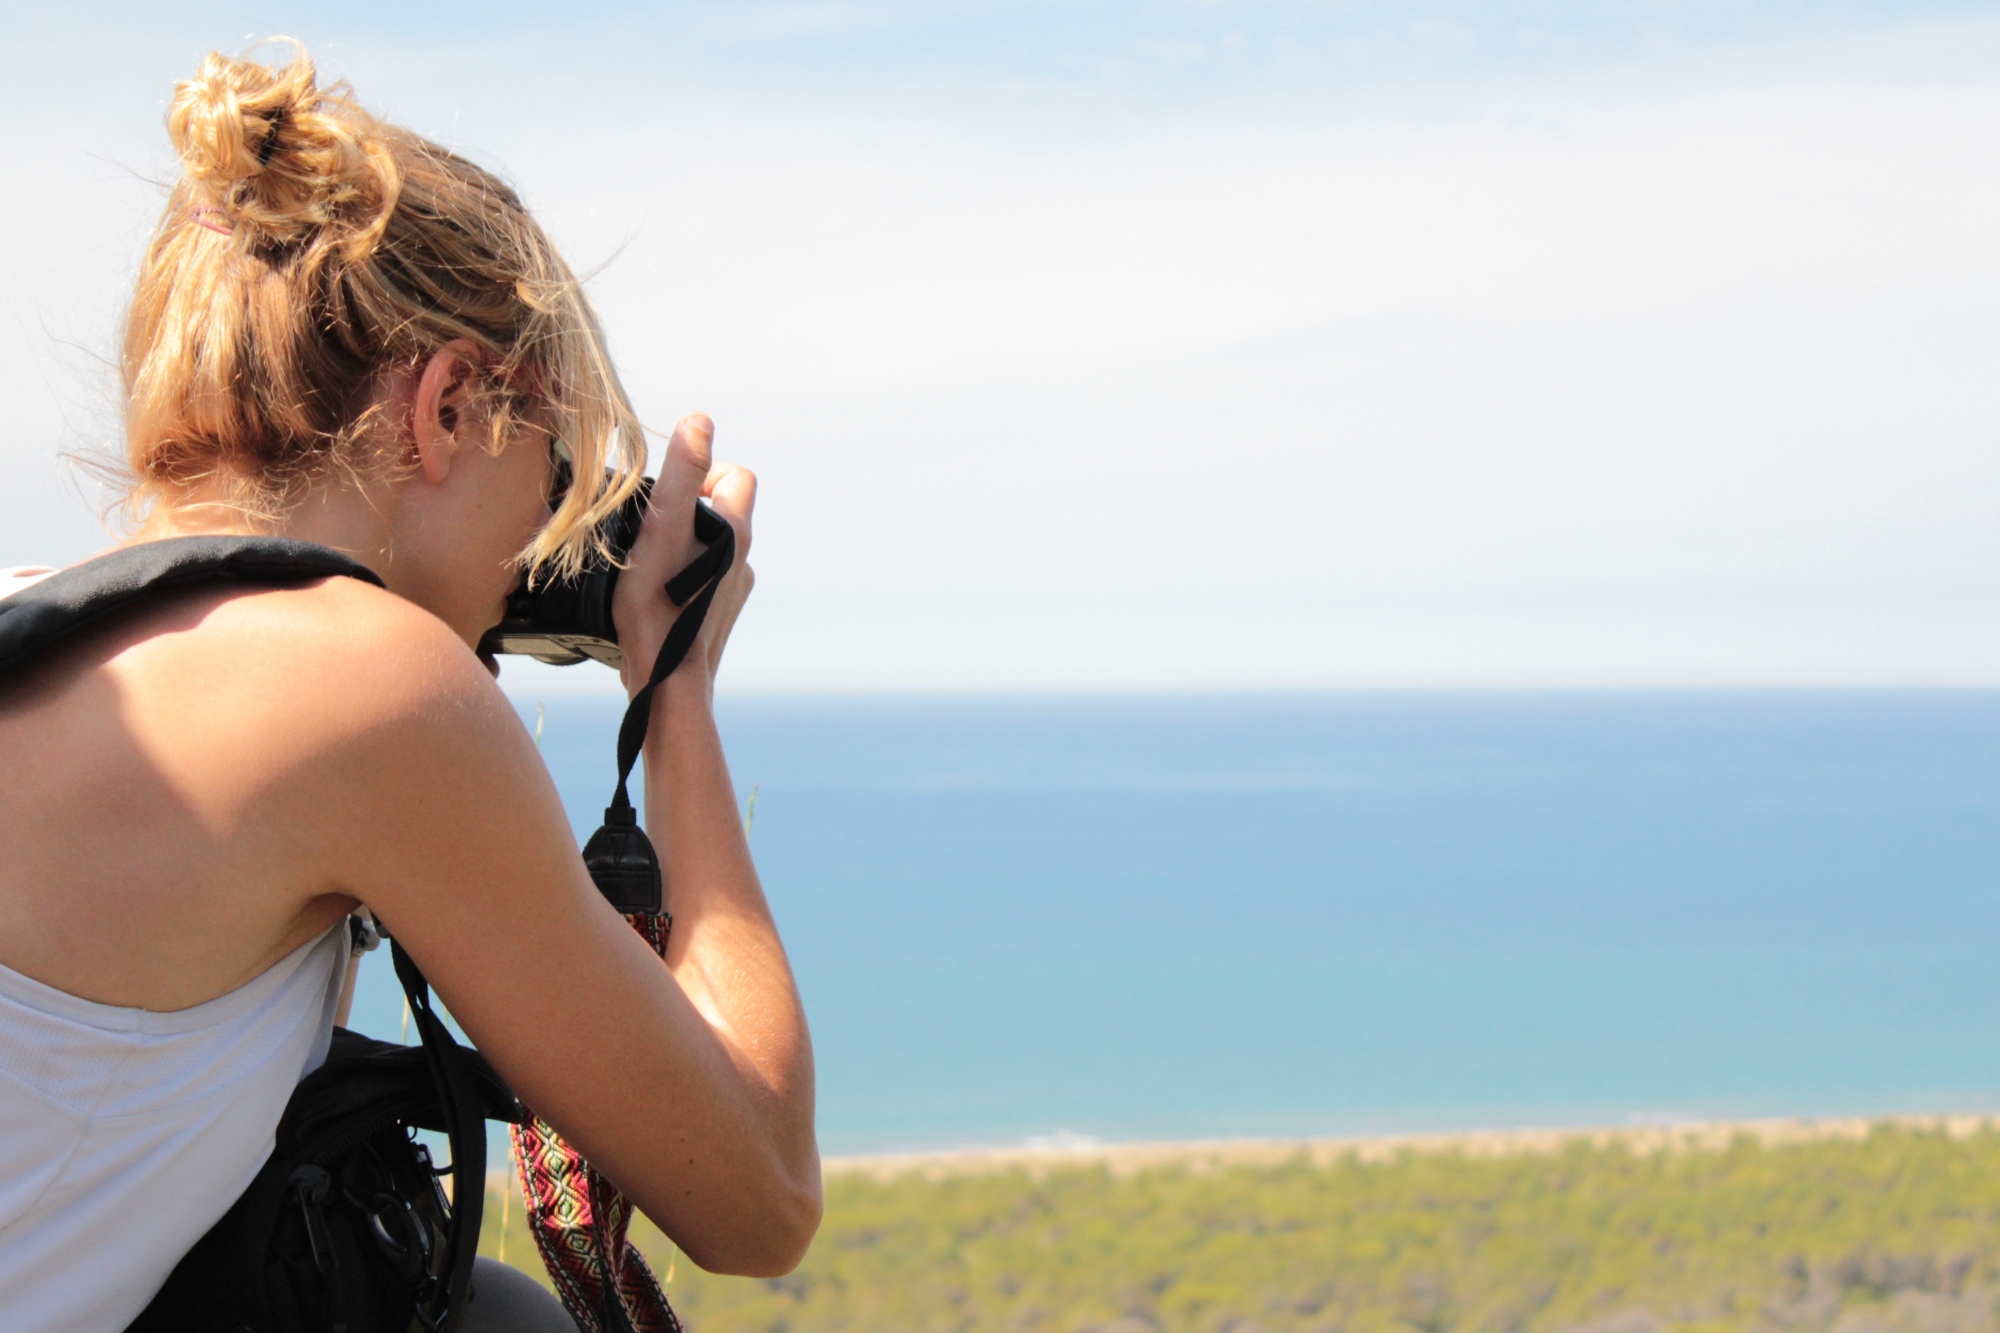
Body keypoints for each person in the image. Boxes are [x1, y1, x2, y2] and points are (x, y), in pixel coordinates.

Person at [0, 42, 819, 1331]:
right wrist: (678, 701)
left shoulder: (37, 625)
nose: (542, 545)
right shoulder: (363, 679)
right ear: (445, 408)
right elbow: (760, 1193)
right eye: (550, 475)